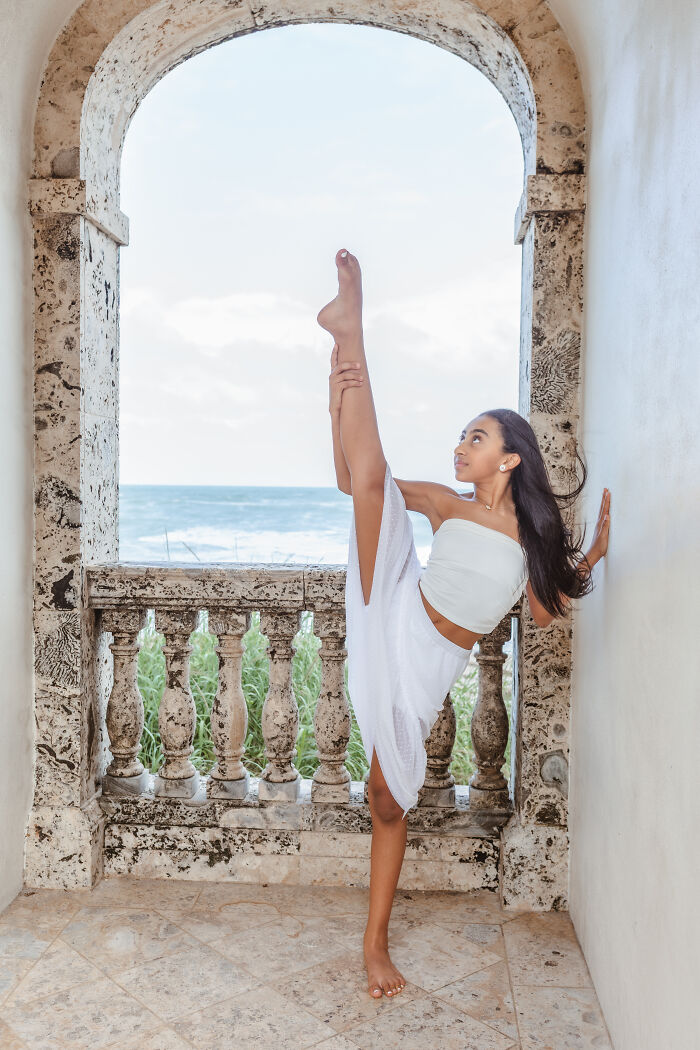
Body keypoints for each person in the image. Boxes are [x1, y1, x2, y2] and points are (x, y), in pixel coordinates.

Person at [317, 248, 611, 1001]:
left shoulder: (533, 541)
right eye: (462, 437)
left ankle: (373, 936)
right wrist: (336, 400)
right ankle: (352, 338)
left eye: (475, 439)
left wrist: (587, 564)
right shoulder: (446, 507)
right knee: (376, 485)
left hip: (429, 666)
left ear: (510, 459)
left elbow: (545, 618)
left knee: (388, 800)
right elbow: (356, 481)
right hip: (397, 606)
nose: (461, 447)